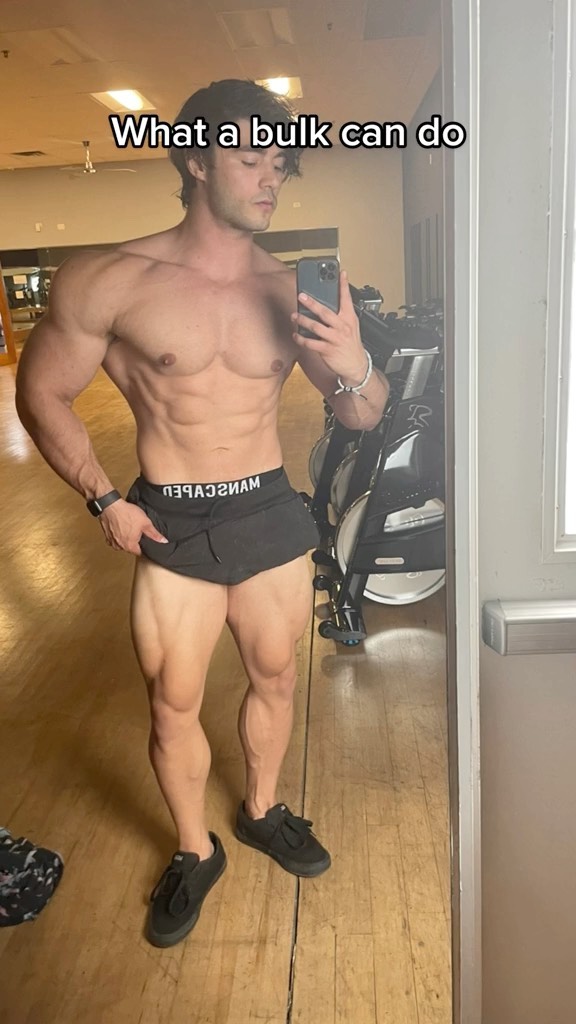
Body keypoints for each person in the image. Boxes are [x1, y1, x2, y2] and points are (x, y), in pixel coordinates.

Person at [14, 79, 389, 948]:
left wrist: (354, 361)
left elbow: (362, 415)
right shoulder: (109, 278)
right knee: (171, 705)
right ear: (193, 159)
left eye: (280, 165)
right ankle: (194, 848)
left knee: (278, 677)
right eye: (251, 158)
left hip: (268, 509)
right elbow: (42, 393)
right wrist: (103, 497)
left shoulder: (296, 291)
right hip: (170, 520)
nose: (270, 179)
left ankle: (261, 808)